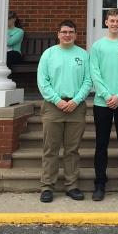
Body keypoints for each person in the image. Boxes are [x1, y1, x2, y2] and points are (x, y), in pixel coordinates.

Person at [36, 19, 91, 203]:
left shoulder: (83, 55)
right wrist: (57, 101)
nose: (67, 35)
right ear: (58, 34)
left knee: (72, 150)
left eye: (71, 32)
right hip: (53, 107)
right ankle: (47, 186)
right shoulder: (49, 54)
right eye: (64, 32)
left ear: (76, 35)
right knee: (51, 148)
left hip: (76, 107)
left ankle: (71, 185)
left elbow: (88, 81)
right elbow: (43, 81)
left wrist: (75, 100)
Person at [89, 7, 118, 201]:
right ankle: (100, 183)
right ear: (106, 23)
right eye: (111, 20)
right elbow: (94, 72)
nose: (115, 24)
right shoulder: (98, 46)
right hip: (102, 102)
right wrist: (107, 95)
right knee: (101, 144)